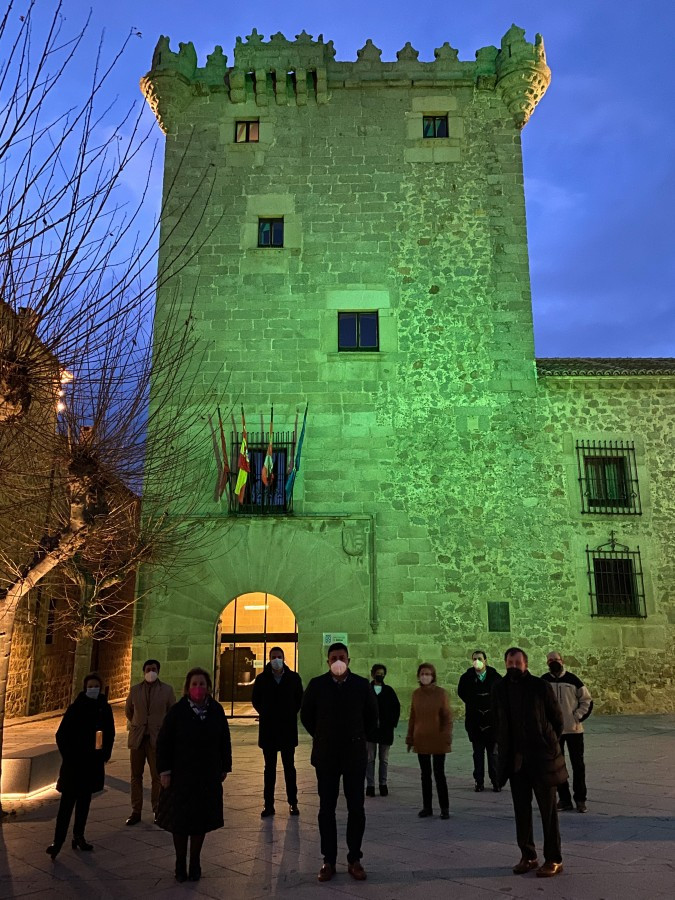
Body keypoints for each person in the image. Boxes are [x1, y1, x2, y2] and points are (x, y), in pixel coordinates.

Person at [300, 642, 378, 883]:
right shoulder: (317, 685)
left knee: (356, 808)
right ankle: (329, 860)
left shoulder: (361, 685)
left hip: (354, 755)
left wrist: (357, 736)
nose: (338, 661)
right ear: (327, 661)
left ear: (349, 660)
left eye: (341, 657)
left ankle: (354, 858)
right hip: (327, 755)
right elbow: (306, 716)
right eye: (333, 657)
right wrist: (323, 736)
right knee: (326, 810)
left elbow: (371, 716)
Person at [493, 647, 567, 879]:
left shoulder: (540, 687)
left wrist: (547, 742)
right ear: (505, 663)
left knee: (548, 812)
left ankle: (554, 859)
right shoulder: (500, 688)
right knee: (521, 811)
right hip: (517, 762)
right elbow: (499, 721)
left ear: (525, 664)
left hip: (542, 759)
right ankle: (528, 856)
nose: (513, 666)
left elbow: (557, 720)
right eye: (509, 662)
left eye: (517, 662)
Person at [155, 667, 231, 883]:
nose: (199, 688)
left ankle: (195, 860)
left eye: (202, 684)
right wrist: (164, 771)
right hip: (181, 776)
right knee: (179, 821)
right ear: (188, 688)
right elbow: (164, 743)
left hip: (206, 776)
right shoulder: (177, 712)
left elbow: (224, 739)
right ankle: (180, 861)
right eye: (195, 684)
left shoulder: (215, 710)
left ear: (208, 687)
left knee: (201, 820)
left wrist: (225, 766)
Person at [46, 672, 115, 859]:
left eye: (96, 685)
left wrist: (103, 753)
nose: (93, 689)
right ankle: (57, 841)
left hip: (92, 763)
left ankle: (79, 836)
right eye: (90, 686)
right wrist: (69, 755)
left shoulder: (103, 708)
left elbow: (108, 732)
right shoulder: (75, 708)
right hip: (74, 764)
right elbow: (61, 734)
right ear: (85, 688)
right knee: (66, 804)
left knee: (84, 803)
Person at [251, 646, 304, 818]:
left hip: (287, 729)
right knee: (269, 769)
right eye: (273, 657)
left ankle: (293, 803)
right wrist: (266, 713)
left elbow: (299, 700)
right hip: (269, 731)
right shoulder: (261, 679)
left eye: (279, 656)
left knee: (290, 768)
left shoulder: (293, 678)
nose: (276, 659)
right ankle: (268, 804)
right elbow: (256, 700)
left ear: (284, 658)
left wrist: (288, 713)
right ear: (269, 658)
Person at [125, 658, 176, 825]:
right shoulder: (134, 690)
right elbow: (129, 711)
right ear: (144, 671)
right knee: (135, 776)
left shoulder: (167, 691)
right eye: (148, 669)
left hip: (156, 739)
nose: (150, 672)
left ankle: (157, 809)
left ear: (158, 671)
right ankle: (136, 810)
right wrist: (138, 724)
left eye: (153, 669)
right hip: (138, 738)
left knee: (157, 776)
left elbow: (171, 712)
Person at [542, 650, 593, 814]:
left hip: (573, 731)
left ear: (562, 660)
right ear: (547, 663)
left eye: (555, 659)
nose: (553, 662)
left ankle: (580, 799)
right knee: (558, 767)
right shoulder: (543, 681)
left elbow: (586, 700)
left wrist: (577, 717)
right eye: (550, 660)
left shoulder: (573, 680)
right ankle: (564, 799)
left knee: (578, 766)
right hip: (554, 732)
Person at [406, 662, 452, 819]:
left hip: (437, 738)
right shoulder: (416, 694)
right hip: (421, 738)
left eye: (428, 674)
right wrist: (409, 737)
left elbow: (447, 717)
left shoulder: (441, 694)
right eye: (422, 674)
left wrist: (446, 735)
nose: (425, 676)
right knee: (425, 774)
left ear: (433, 676)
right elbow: (413, 717)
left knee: (439, 774)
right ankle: (427, 807)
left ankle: (444, 807)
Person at [457, 649, 502, 792]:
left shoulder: (495, 677)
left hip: (492, 723)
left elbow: (500, 696)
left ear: (485, 660)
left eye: (480, 658)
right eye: (475, 658)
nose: (477, 661)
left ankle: (496, 781)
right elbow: (462, 693)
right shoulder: (466, 678)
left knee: (493, 754)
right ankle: (479, 781)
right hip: (475, 722)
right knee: (478, 754)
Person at [365, 663, 401, 798]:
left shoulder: (389, 691)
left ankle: (383, 784)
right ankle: (370, 785)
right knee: (369, 759)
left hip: (385, 730)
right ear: (373, 674)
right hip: (370, 731)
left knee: (384, 759)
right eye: (377, 673)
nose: (380, 675)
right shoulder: (367, 690)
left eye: (382, 673)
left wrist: (391, 723)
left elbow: (396, 708)